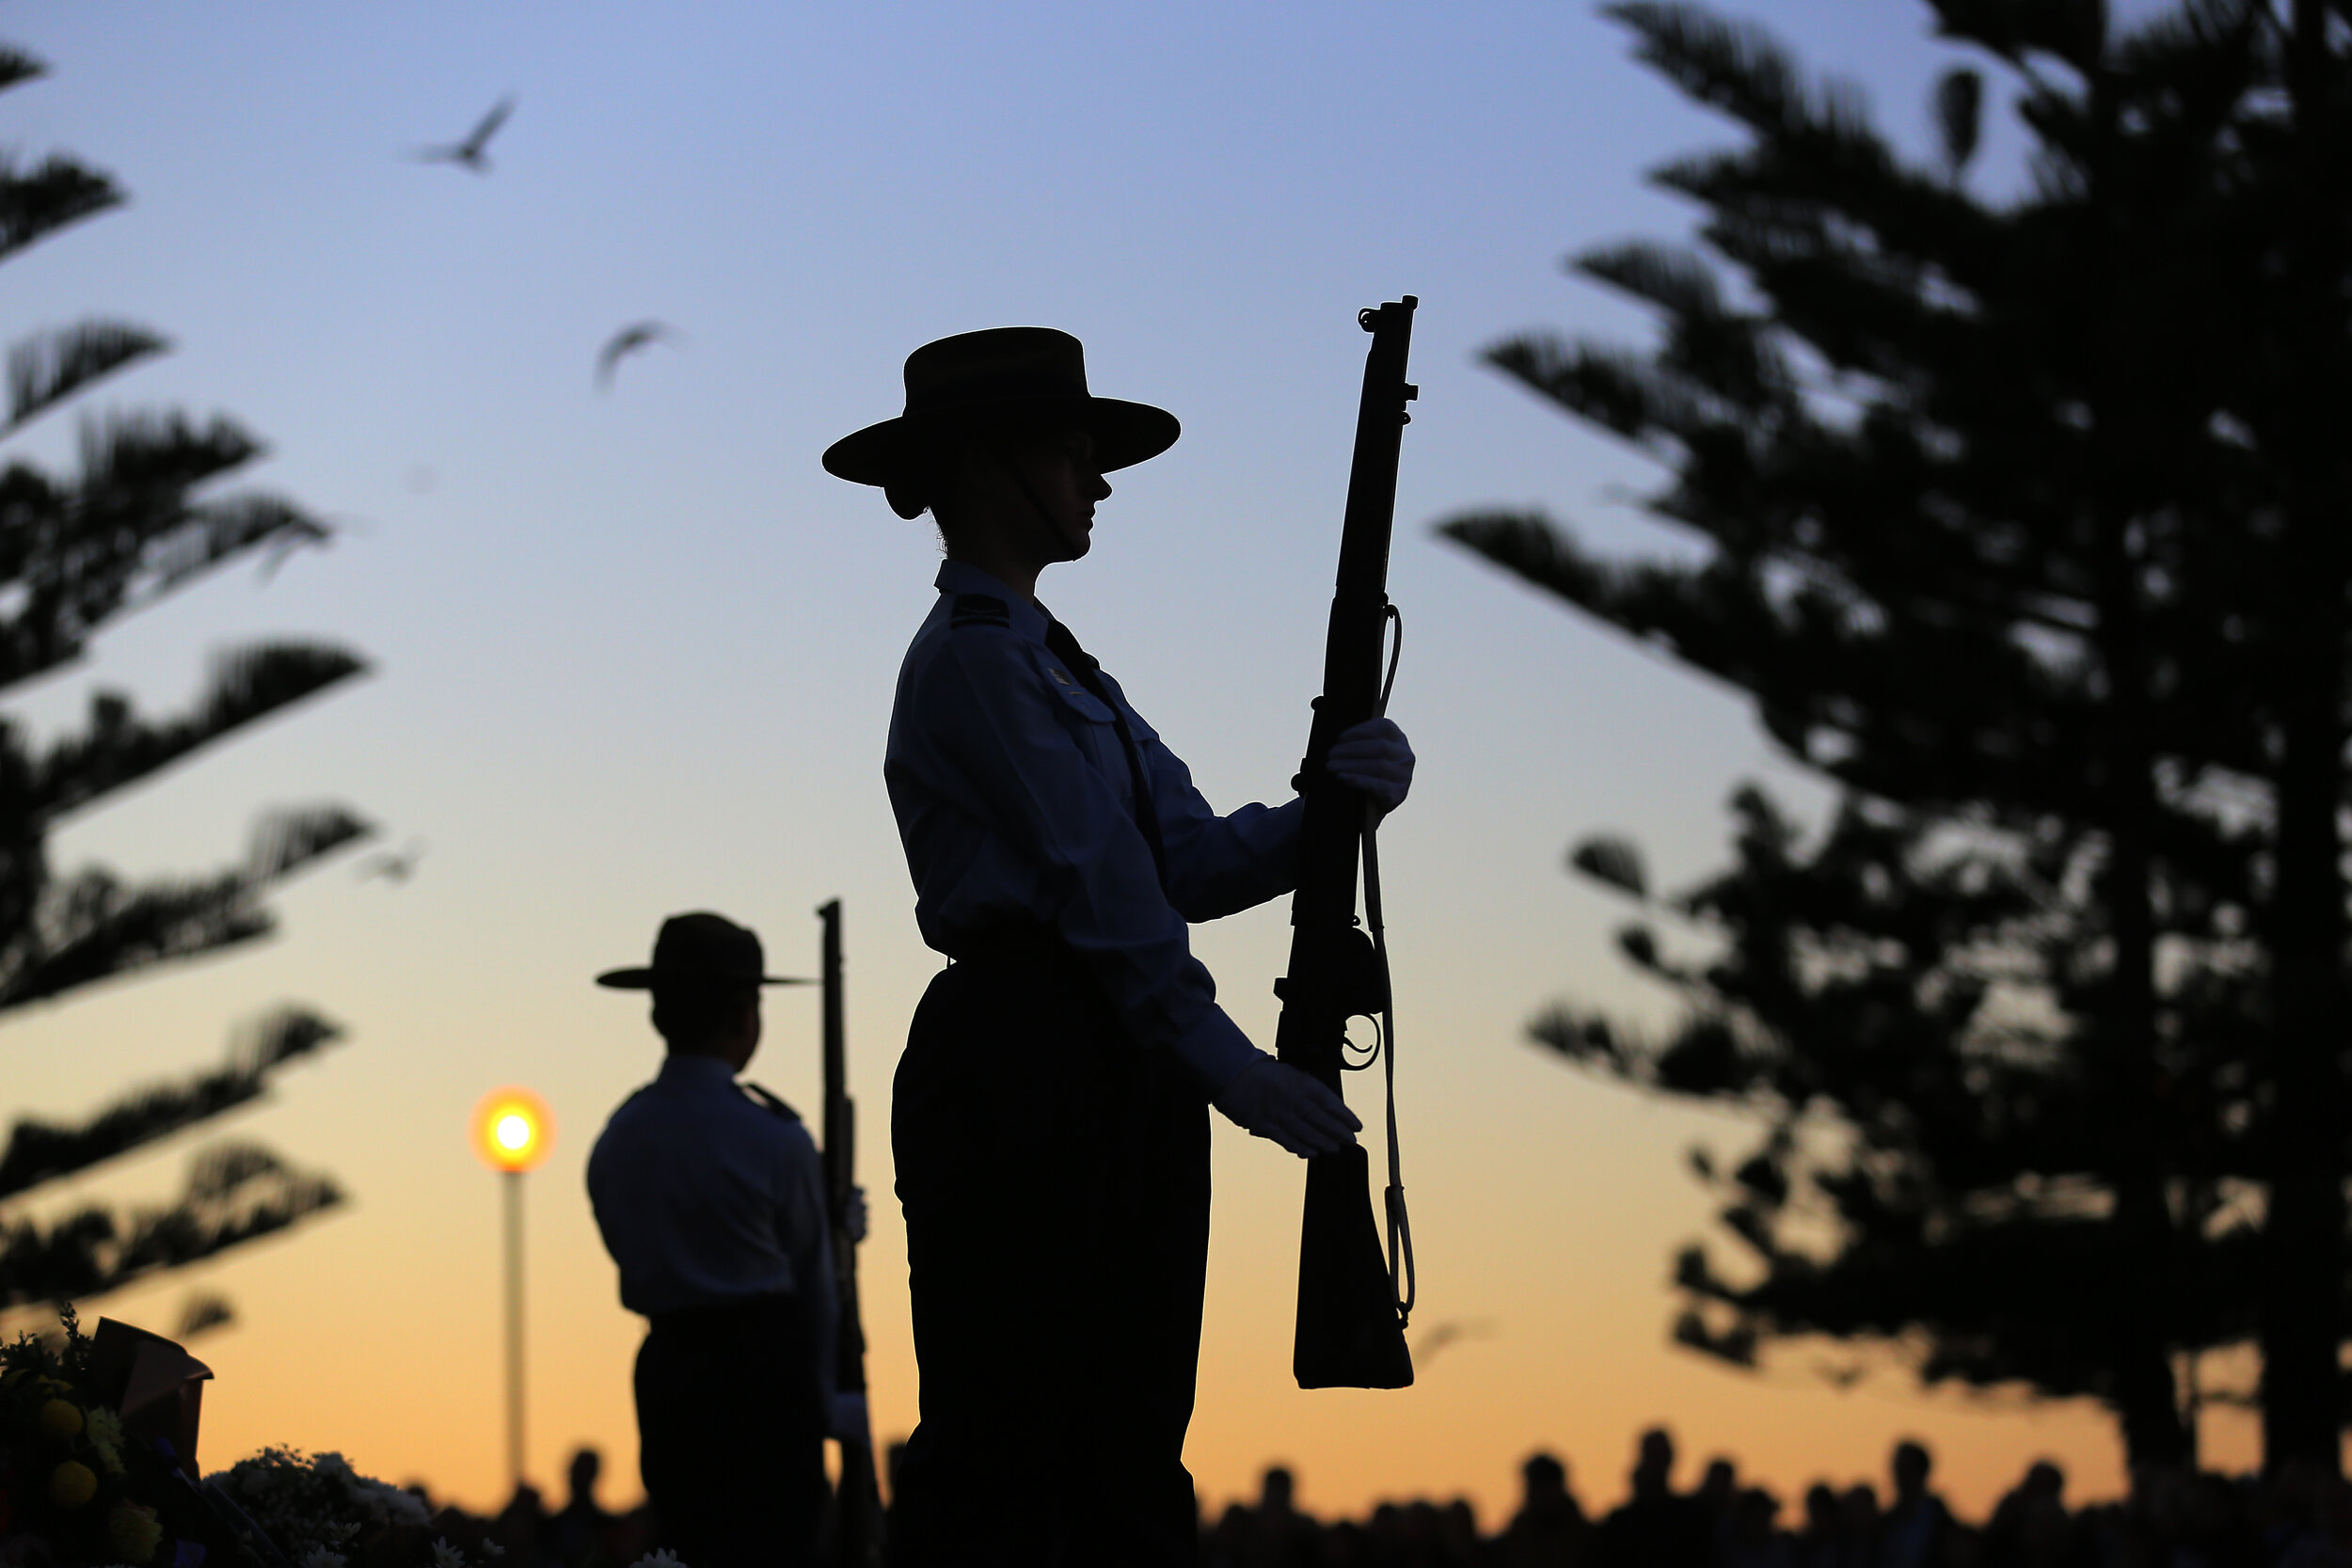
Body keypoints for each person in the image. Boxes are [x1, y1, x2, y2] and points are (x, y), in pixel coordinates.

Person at [824, 326, 1415, 1564]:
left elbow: (1185, 860)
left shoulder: (1059, 664)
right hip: (1025, 1051)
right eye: (1069, 451)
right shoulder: (976, 663)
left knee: (1130, 1430)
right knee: (1016, 1436)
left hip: (1114, 1045)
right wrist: (1233, 1064)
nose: (1096, 480)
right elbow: (1109, 890)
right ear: (987, 469)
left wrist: (1333, 808)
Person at [585, 911, 867, 1568]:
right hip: (768, 1374)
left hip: (669, 1369)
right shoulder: (776, 1138)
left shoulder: (618, 1137)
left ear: (659, 1014)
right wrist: (828, 1394)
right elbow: (817, 1289)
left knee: (690, 1544)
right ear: (746, 1015)